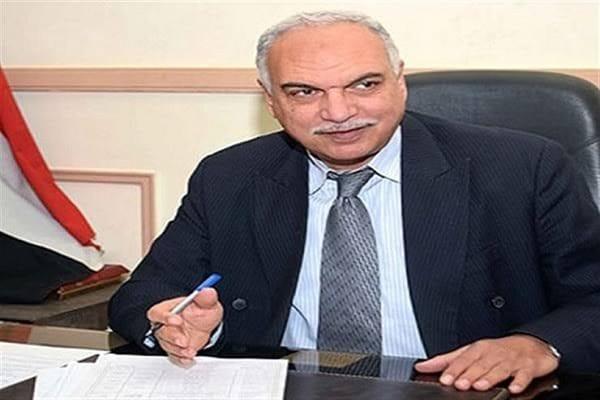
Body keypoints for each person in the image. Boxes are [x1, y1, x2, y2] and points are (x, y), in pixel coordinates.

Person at [109, 11, 600, 394]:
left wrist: (539, 343)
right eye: (305, 92)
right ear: (271, 100)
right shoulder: (230, 176)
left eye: (364, 85)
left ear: (399, 80)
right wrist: (172, 323)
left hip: (453, 391)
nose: (339, 112)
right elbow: (144, 293)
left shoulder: (521, 167)